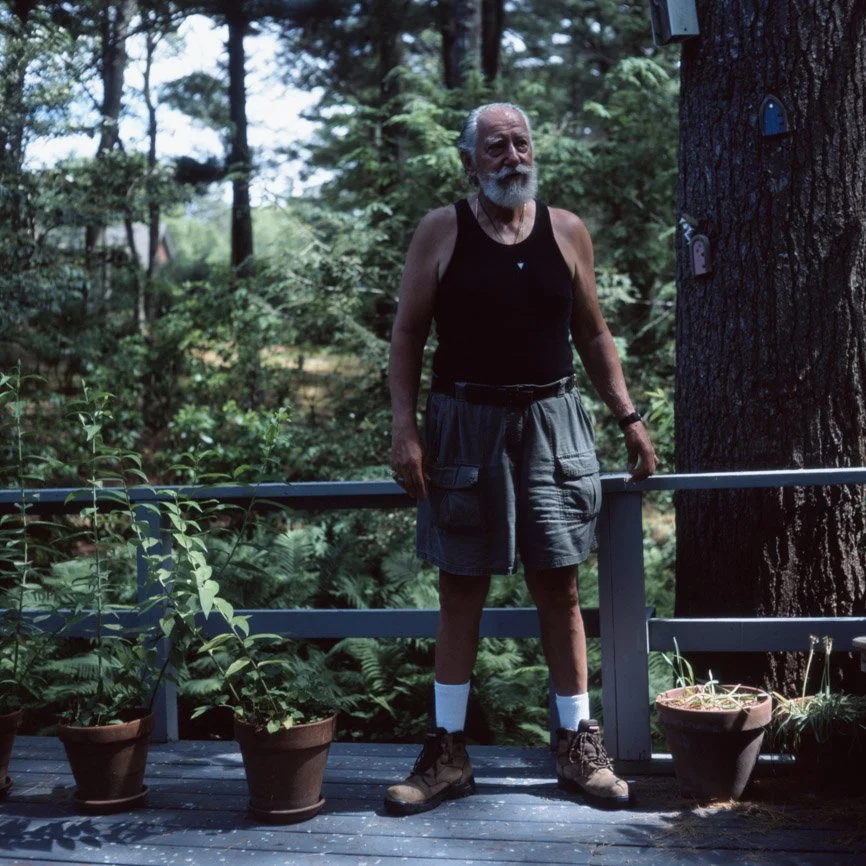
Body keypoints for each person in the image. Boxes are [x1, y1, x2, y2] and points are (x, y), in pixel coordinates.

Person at [384, 102, 658, 815]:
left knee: (560, 586)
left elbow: (594, 334)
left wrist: (627, 414)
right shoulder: (441, 231)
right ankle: (446, 754)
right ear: (470, 161)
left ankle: (576, 747)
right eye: (496, 146)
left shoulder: (566, 231)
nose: (513, 156)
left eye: (521, 142)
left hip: (552, 420)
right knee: (462, 586)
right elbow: (408, 334)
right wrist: (404, 428)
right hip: (463, 423)